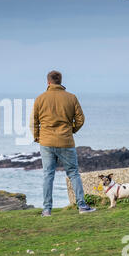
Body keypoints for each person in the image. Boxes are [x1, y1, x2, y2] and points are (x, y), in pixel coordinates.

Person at [32, 70, 96, 216]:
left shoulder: (40, 99)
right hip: (66, 141)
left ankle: (47, 209)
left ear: (48, 82)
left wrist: (37, 137)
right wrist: (71, 130)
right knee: (73, 173)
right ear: (60, 81)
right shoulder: (71, 98)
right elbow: (80, 119)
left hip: (46, 142)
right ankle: (82, 206)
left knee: (48, 175)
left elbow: (34, 122)